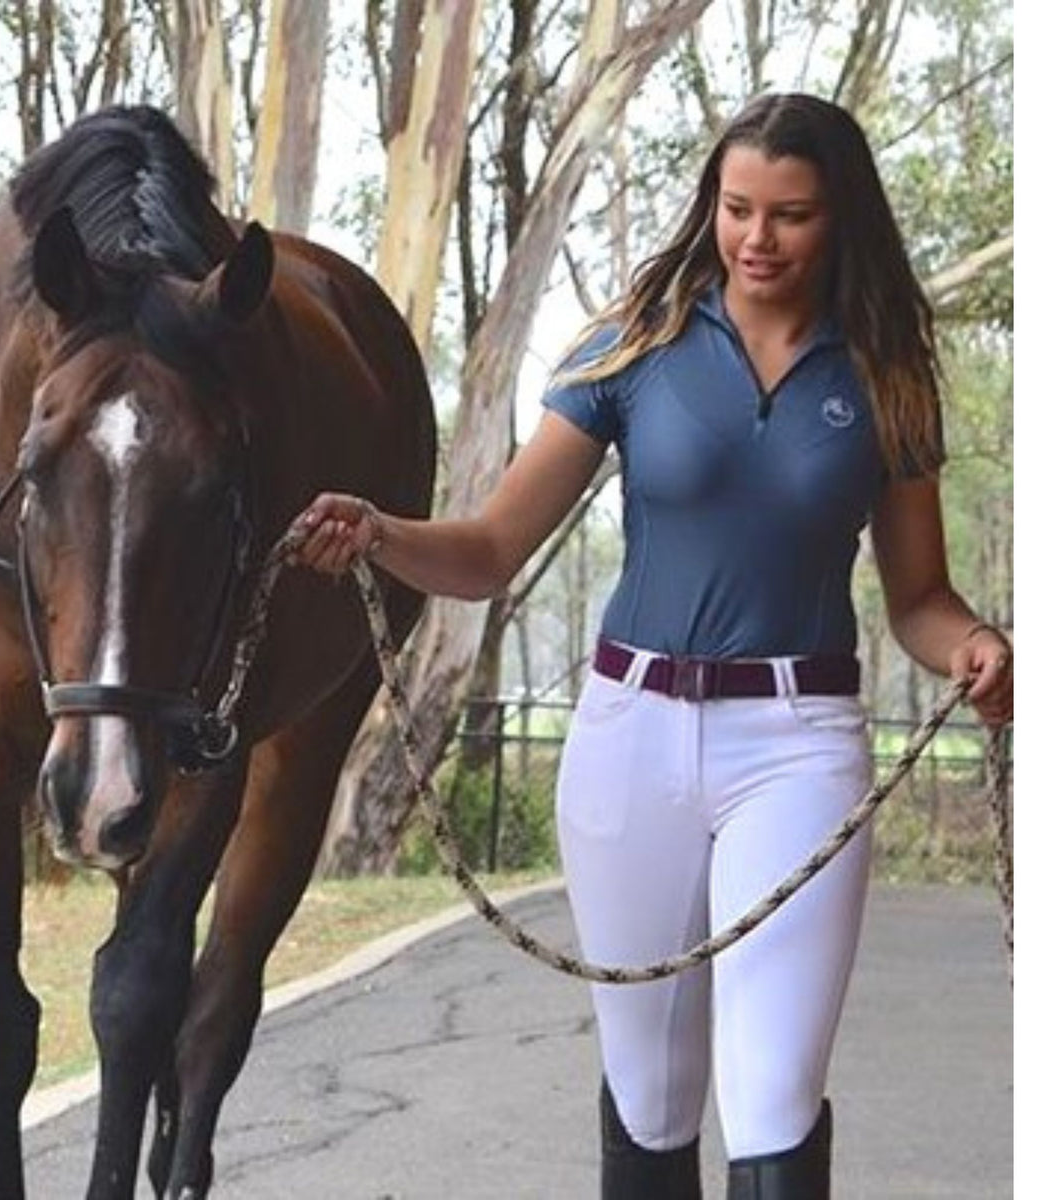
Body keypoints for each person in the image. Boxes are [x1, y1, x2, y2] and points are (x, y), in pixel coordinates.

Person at [289, 92, 1013, 1199]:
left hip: (800, 746)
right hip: (629, 739)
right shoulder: (635, 344)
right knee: (651, 1094)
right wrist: (381, 534)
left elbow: (918, 596)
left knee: (772, 1091)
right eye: (737, 209)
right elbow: (489, 551)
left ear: (842, 222)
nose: (756, 239)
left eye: (791, 215)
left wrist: (974, 645)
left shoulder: (886, 377)